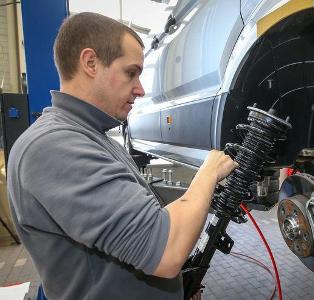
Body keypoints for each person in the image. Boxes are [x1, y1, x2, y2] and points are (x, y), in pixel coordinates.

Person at [7, 12, 237, 300]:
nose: (140, 89)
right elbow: (165, 250)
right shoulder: (53, 146)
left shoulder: (94, 137)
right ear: (90, 63)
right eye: (131, 72)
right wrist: (208, 172)